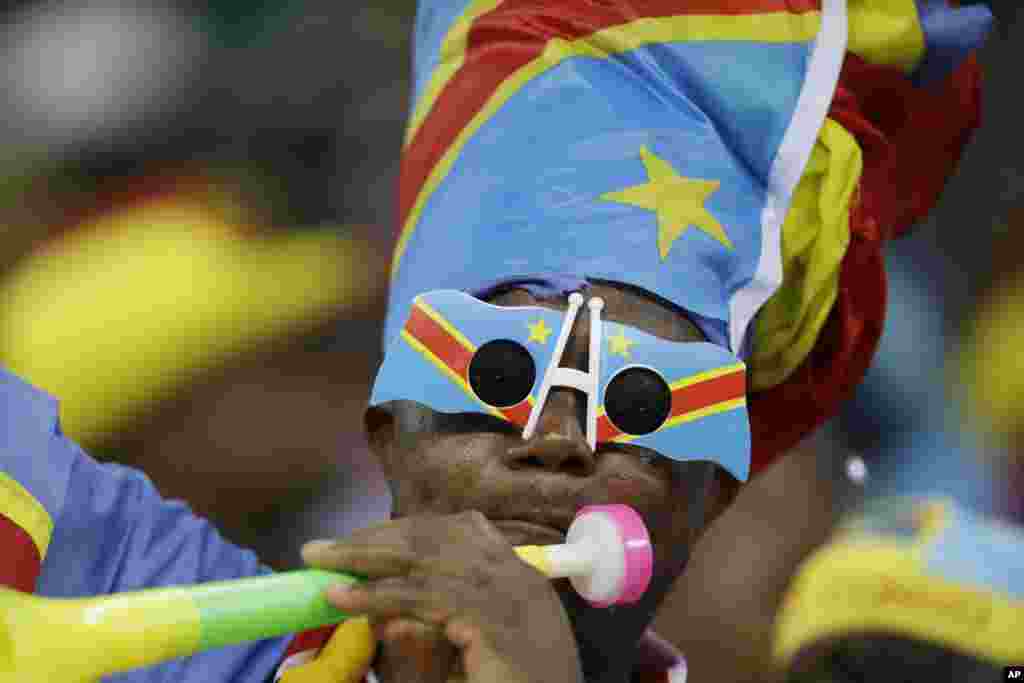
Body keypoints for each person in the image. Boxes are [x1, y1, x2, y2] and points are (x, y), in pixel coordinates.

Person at [0, 1, 990, 682]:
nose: (556, 435)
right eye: (497, 371)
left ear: (706, 499)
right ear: (390, 430)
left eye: (637, 398)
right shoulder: (128, 591)